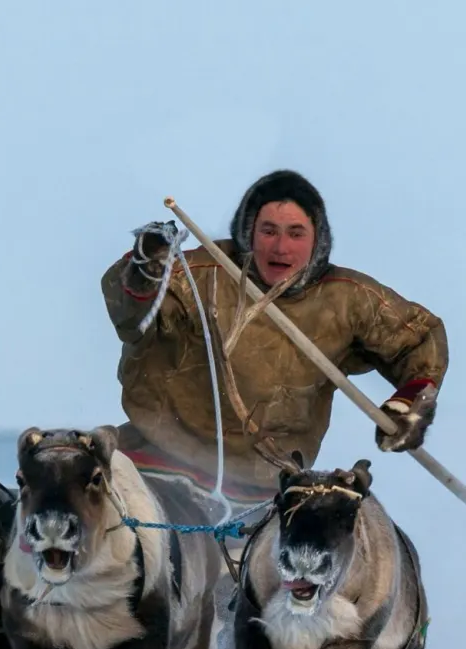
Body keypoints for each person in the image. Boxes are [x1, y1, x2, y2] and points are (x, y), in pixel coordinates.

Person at [100, 169, 448, 513]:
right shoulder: (197, 276)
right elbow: (133, 317)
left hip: (264, 485)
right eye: (269, 231)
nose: (280, 247)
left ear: (318, 239)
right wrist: (143, 273)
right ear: (248, 231)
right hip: (154, 461)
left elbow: (417, 338)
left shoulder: (347, 300)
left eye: (296, 233)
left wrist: (410, 403)